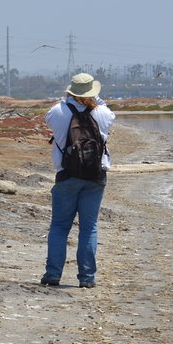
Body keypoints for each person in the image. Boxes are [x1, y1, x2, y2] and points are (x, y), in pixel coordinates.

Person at [41, 73, 116, 289]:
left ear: (70, 90)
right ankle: (87, 278)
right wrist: (97, 100)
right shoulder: (103, 113)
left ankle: (53, 274)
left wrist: (67, 100)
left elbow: (50, 121)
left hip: (67, 175)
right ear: (93, 91)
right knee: (89, 227)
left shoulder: (56, 112)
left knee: (59, 226)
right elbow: (109, 114)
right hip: (95, 176)